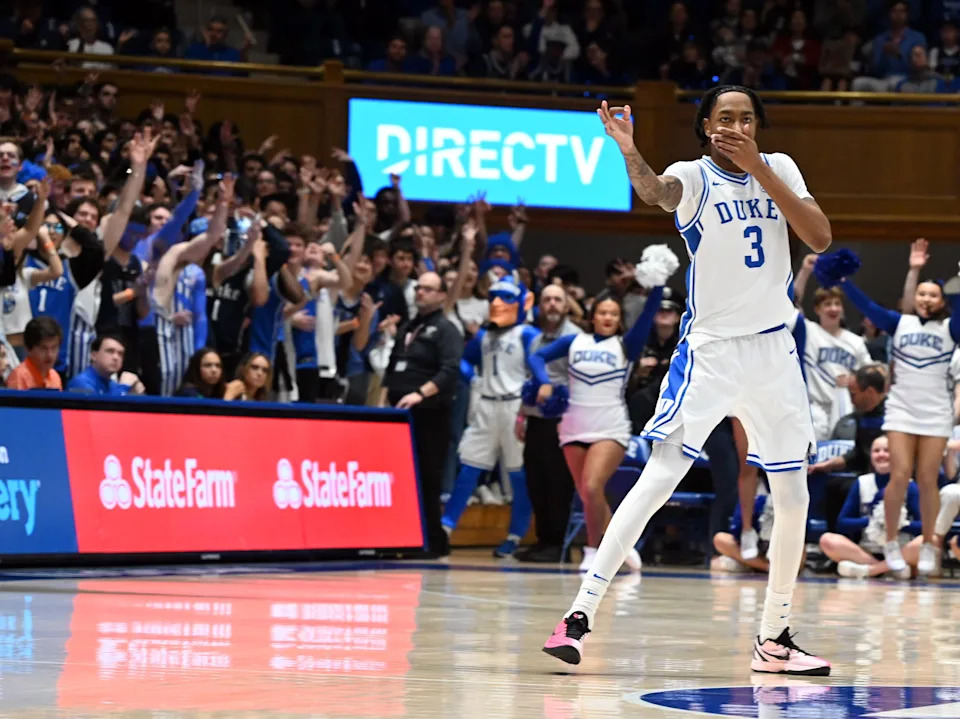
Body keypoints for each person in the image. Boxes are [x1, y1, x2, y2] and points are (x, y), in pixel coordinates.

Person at [544, 87, 833, 676]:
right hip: (712, 354)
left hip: (776, 352)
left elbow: (820, 236)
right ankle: (578, 615)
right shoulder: (693, 177)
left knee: (794, 495)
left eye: (747, 118)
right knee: (660, 477)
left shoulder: (778, 168)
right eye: (725, 117)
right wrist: (629, 151)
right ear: (706, 126)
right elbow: (656, 192)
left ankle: (774, 637)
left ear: (758, 127)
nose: (736, 125)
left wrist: (759, 168)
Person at [531, 246, 679, 573]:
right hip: (572, 427)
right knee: (587, 495)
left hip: (610, 428)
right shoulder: (573, 342)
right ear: (594, 315)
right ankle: (621, 550)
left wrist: (656, 284)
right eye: (602, 313)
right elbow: (536, 357)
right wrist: (544, 382)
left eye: (614, 314)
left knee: (594, 486)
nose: (608, 318)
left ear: (618, 319)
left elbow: (648, 311)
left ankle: (592, 550)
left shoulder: (626, 345)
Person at [837, 247, 960, 577]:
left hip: (935, 411)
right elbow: (869, 308)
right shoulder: (900, 323)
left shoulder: (950, 328)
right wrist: (844, 282)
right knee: (900, 475)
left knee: (927, 478)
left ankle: (931, 544)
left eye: (933, 295)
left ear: (942, 299)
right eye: (921, 293)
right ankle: (891, 541)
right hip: (902, 409)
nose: (926, 299)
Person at [441, 274, 537, 558]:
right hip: (486, 405)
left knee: (518, 474)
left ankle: (515, 534)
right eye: (493, 296)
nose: (497, 302)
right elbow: (462, 359)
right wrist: (470, 374)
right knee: (469, 467)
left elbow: (540, 371)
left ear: (521, 303)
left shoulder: (528, 335)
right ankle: (445, 528)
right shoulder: (483, 336)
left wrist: (528, 404)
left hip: (515, 407)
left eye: (506, 297)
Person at [381, 271, 462, 557]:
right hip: (398, 414)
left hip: (430, 413)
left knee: (427, 476)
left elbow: (450, 370)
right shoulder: (408, 326)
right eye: (418, 288)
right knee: (401, 477)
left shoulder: (446, 329)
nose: (421, 293)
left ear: (441, 295)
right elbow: (392, 368)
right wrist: (383, 403)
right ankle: (403, 536)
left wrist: (420, 393)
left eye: (428, 289)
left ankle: (432, 540)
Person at [514, 283, 581, 563]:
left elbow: (580, 381)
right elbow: (530, 380)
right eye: (547, 300)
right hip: (537, 419)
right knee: (536, 480)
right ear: (540, 305)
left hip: (563, 421)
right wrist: (521, 414)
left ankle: (557, 544)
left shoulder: (576, 338)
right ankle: (542, 540)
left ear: (567, 305)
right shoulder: (535, 339)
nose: (552, 304)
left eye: (558, 300)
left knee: (558, 484)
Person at [818, 435, 922, 579]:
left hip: (900, 549)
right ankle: (889, 569)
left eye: (887, 450)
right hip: (866, 550)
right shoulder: (861, 483)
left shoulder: (909, 485)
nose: (881, 455)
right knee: (827, 540)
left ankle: (870, 571)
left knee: (929, 540)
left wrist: (899, 523)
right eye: (876, 451)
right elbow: (842, 523)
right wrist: (873, 521)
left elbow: (923, 526)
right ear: (871, 455)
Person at [809, 364, 888, 532]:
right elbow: (858, 454)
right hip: (865, 475)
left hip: (889, 477)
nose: (851, 400)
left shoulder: (893, 415)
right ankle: (835, 540)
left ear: (870, 392)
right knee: (833, 486)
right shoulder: (861, 416)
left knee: (849, 489)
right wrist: (826, 465)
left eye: (854, 394)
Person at [66, 334, 143, 395]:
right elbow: (99, 413)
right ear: (94, 355)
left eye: (120, 354)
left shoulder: (113, 385)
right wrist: (123, 387)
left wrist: (133, 394)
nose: (116, 357)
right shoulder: (80, 383)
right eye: (110, 351)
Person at [6, 316, 62, 389]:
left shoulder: (55, 377)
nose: (50, 355)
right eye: (43, 348)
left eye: (54, 348)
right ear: (28, 349)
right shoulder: (19, 377)